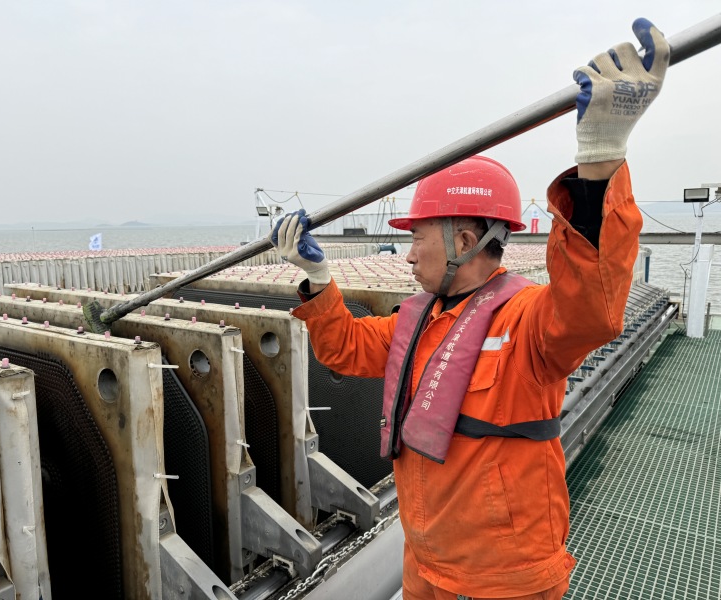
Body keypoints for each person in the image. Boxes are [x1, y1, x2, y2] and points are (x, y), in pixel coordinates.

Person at [271, 18, 669, 600]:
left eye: (418, 239)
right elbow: (344, 348)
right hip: (425, 566)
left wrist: (600, 164)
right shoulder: (417, 320)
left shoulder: (526, 321)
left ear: (464, 242)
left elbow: (591, 310)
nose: (408, 257)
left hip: (503, 581)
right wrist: (318, 279)